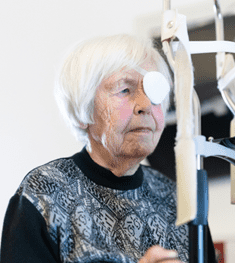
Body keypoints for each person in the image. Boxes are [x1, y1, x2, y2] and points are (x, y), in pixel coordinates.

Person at [0, 34, 216, 262]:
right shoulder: (43, 194)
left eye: (154, 90)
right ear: (84, 109)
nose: (145, 106)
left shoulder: (178, 199)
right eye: (124, 90)